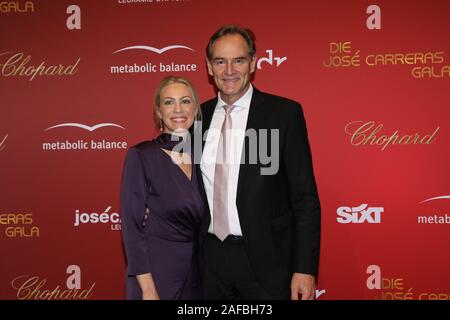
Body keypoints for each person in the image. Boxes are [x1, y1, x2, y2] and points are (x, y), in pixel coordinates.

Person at [197, 25, 321, 300]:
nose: (229, 70)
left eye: (238, 60)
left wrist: (304, 269)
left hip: (268, 264)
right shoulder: (196, 118)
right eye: (220, 61)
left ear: (253, 63)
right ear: (209, 66)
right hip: (209, 263)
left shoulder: (283, 114)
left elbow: (304, 198)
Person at [120, 76, 203, 300]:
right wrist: (147, 289)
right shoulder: (142, 155)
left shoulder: (206, 158)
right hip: (156, 272)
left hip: (199, 274)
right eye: (168, 102)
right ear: (158, 111)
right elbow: (131, 226)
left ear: (195, 109)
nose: (178, 109)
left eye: (185, 101)